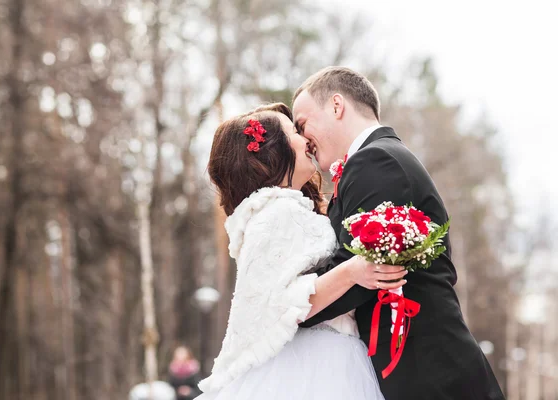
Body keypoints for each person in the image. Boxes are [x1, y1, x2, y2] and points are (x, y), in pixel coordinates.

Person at [292, 66, 505, 400]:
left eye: (303, 123)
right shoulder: (378, 159)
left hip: (429, 375)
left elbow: (357, 271)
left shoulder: (376, 161)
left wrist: (288, 303)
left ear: (336, 106)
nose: (303, 138)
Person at [196, 103, 406, 399]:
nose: (306, 138)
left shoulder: (283, 209)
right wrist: (353, 271)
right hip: (313, 363)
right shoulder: (276, 214)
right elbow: (284, 304)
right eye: (294, 131)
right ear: (273, 151)